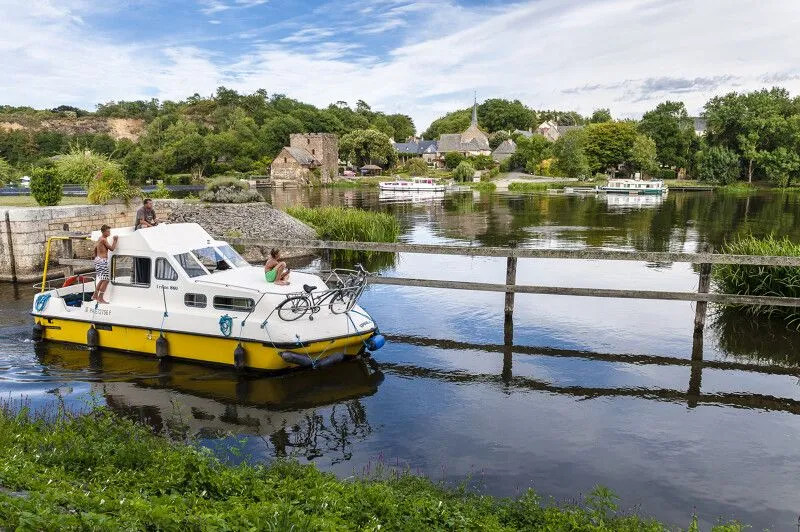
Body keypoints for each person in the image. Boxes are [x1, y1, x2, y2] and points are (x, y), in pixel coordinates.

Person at [92, 224, 117, 304]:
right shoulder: (104, 240)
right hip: (102, 261)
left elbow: (95, 249)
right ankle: (100, 298)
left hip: (98, 260)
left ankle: (95, 295)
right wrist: (115, 240)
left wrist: (96, 258)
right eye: (108, 231)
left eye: (109, 231)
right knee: (106, 280)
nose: (109, 233)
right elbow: (112, 249)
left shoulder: (99, 239)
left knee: (102, 279)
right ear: (103, 232)